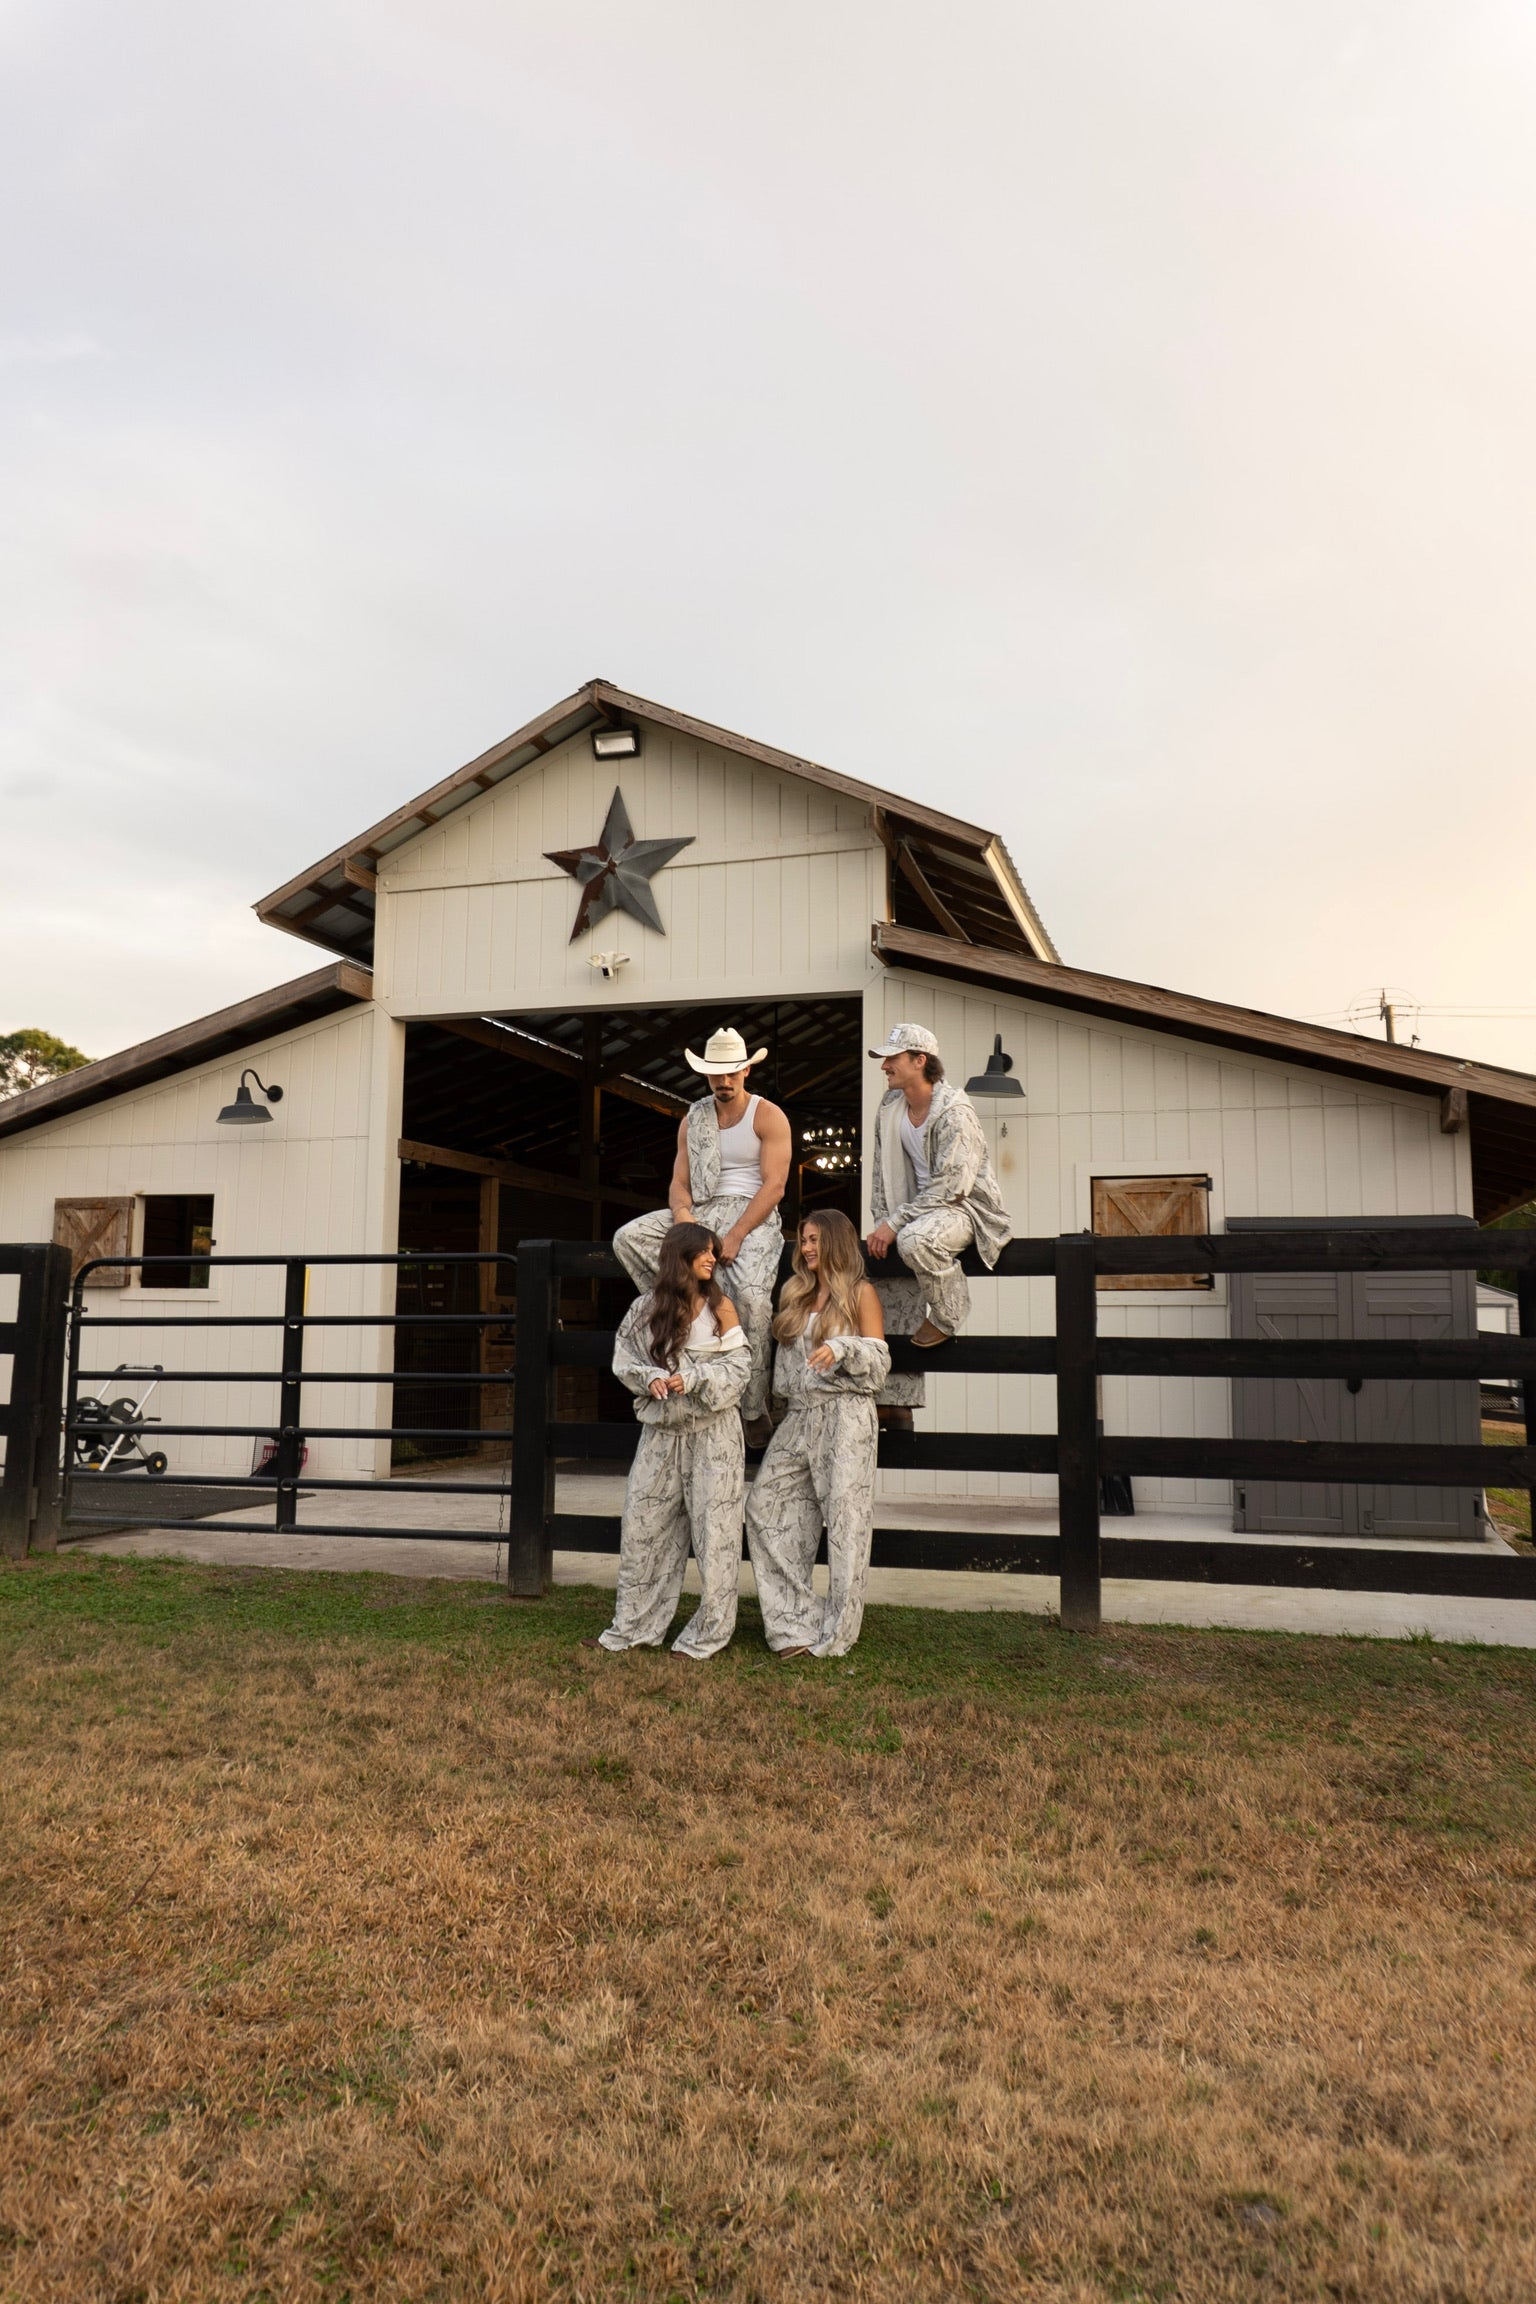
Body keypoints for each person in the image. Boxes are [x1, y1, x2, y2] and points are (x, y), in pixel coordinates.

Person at [613, 1026, 792, 1448]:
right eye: (716, 1074)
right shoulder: (693, 1118)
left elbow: (775, 1186)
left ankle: (752, 1407)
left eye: (731, 1072)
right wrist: (682, 1220)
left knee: (750, 1299)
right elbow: (679, 1182)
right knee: (628, 1238)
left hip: (752, 1214)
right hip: (701, 1212)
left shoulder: (767, 1115)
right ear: (705, 1074)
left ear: (747, 1069)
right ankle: (685, 1307)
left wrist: (737, 1234)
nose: (724, 1081)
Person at [597, 1222, 751, 1659]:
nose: (711, 1258)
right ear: (677, 1257)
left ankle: (708, 1634)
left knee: (715, 1535)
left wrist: (697, 1377)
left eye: (713, 1251)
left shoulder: (722, 1306)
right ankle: (634, 1627)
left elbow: (740, 1370)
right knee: (643, 1528)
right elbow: (623, 1359)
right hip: (661, 1435)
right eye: (702, 1251)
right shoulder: (646, 1308)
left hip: (713, 1436)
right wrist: (651, 1378)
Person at [745, 1207, 890, 1659]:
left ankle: (838, 1633)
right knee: (764, 1508)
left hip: (846, 1417)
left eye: (814, 1239)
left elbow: (880, 1364)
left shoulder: (861, 1294)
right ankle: (795, 1622)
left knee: (846, 1526)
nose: (806, 1248)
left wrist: (842, 1347)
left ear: (836, 1241)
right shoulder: (795, 1293)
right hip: (799, 1417)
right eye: (803, 1240)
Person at [865, 1022, 1010, 1358]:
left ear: (920, 1060)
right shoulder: (891, 1106)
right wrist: (883, 1222)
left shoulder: (955, 1112)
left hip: (964, 1210)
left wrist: (896, 1223)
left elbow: (951, 1187)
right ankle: (894, 1396)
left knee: (916, 1241)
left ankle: (949, 1314)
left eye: (892, 1058)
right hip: (916, 1211)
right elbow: (879, 1174)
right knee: (886, 1258)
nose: (884, 1065)